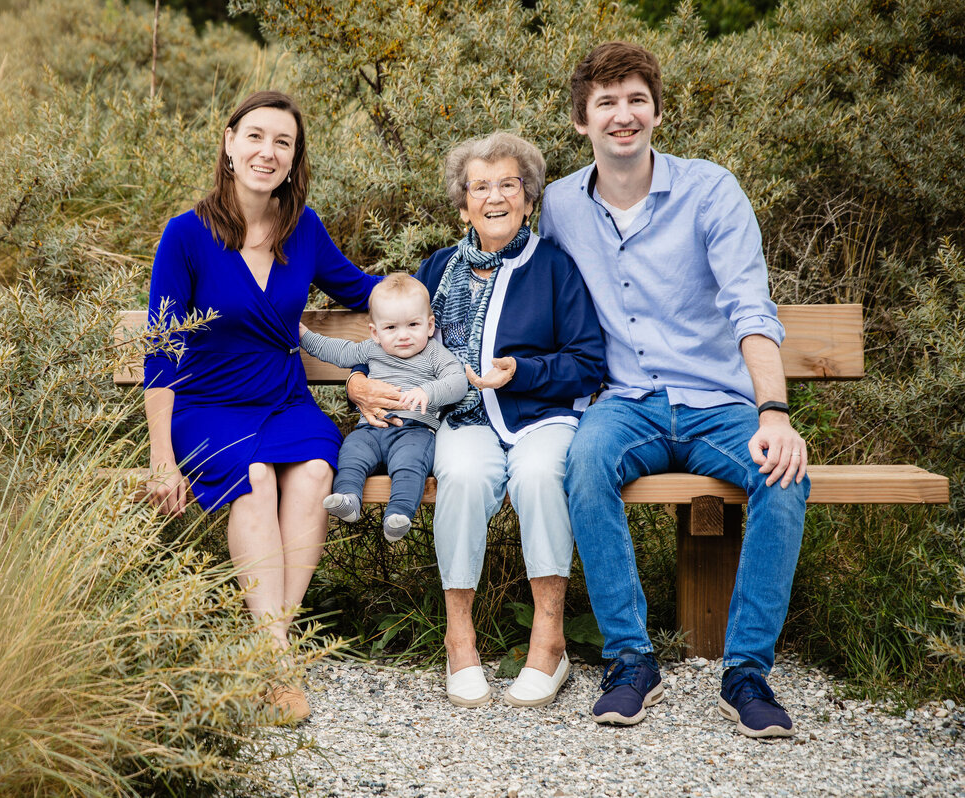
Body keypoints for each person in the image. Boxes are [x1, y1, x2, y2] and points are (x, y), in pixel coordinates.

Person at [540, 42, 809, 738]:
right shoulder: (560, 206)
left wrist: (773, 412)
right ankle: (631, 659)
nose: (622, 115)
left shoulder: (711, 190)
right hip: (625, 404)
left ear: (657, 111)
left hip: (719, 402)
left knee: (783, 475)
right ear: (581, 121)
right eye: (606, 103)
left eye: (636, 99)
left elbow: (752, 308)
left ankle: (747, 671)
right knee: (585, 463)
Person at [143, 90, 378, 722]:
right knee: (251, 481)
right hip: (207, 404)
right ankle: (278, 663)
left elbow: (360, 289)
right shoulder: (186, 235)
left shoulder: (302, 228)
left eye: (283, 142)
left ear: (295, 157)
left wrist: (449, 283)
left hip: (283, 398)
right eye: (255, 137)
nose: (266, 152)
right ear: (228, 142)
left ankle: (270, 646)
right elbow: (161, 352)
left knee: (315, 472)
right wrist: (162, 458)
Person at [348, 132, 605, 709]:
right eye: (480, 186)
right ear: (463, 203)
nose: (494, 197)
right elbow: (397, 344)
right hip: (461, 420)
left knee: (541, 479)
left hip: (541, 418)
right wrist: (361, 383)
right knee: (461, 479)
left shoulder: (556, 268)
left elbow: (588, 364)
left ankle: (549, 641)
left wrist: (522, 371)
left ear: (529, 198)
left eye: (508, 185)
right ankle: (458, 639)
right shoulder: (437, 268)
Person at [298, 274, 467, 542]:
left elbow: (458, 381)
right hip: (372, 427)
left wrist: (428, 391)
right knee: (352, 450)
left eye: (413, 324)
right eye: (391, 328)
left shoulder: (435, 354)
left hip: (416, 430)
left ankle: (398, 516)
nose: (403, 336)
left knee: (409, 464)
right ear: (375, 333)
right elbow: (337, 351)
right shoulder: (371, 350)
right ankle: (348, 498)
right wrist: (302, 333)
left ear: (430, 325)